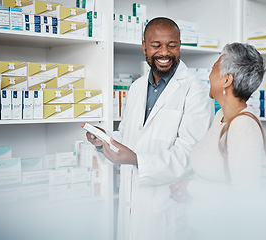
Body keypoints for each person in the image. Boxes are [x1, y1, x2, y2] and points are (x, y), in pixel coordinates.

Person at [84, 17, 214, 240]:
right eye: (156, 46)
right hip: (132, 203)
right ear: (144, 47)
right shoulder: (136, 87)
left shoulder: (195, 90)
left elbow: (189, 155)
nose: (164, 53)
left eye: (171, 45)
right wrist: (104, 140)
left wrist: (136, 159)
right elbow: (128, 135)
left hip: (166, 209)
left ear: (180, 46)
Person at [169, 42, 266, 239]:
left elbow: (244, 197)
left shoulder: (242, 126)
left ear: (227, 80)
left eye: (214, 66)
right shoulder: (221, 117)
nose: (209, 73)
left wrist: (190, 187)